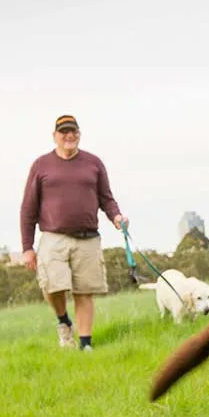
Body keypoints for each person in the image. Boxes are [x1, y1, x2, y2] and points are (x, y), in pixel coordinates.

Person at [20, 114, 128, 351]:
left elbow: (106, 198)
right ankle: (63, 322)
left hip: (88, 237)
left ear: (79, 133)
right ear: (54, 136)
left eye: (73, 131)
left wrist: (117, 217)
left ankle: (85, 345)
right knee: (52, 286)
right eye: (64, 132)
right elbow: (28, 208)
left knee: (84, 291)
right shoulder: (41, 165)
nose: (69, 136)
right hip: (53, 237)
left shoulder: (94, 163)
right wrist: (27, 247)